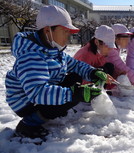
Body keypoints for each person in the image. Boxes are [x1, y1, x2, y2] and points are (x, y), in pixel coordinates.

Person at [5, 5, 114, 140]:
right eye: (65, 32)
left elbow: (76, 65)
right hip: (25, 102)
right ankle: (28, 124)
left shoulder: (53, 50)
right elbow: (38, 93)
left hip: (40, 93)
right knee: (71, 96)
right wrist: (74, 93)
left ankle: (54, 109)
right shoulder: (31, 56)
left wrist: (93, 73)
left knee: (75, 77)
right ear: (47, 30)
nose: (68, 38)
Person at [107, 24, 134, 91]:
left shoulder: (115, 49)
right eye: (125, 38)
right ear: (115, 38)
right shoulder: (111, 51)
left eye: (128, 37)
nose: (128, 41)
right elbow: (123, 67)